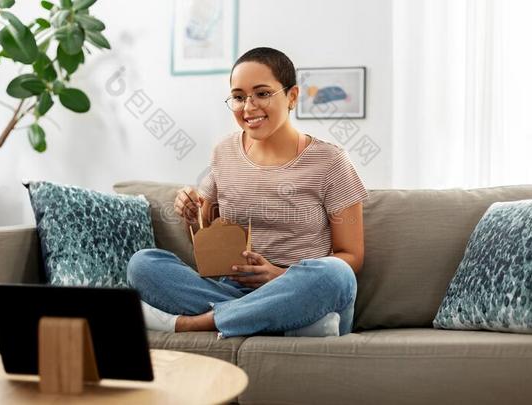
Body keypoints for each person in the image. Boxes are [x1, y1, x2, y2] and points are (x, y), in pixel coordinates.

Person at [127, 47, 369, 339]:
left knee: (337, 276)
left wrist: (280, 276)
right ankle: (287, 323)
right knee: (142, 264)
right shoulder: (224, 152)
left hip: (298, 287)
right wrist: (190, 213)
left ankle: (199, 323)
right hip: (232, 288)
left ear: (292, 96)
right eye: (239, 97)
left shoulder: (330, 161)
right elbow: (203, 240)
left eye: (262, 93)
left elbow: (352, 256)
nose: (248, 107)